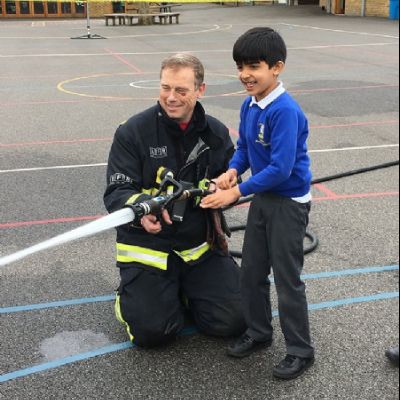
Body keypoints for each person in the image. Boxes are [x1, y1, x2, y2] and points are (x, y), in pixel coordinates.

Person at [104, 54, 246, 348]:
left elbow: (233, 184)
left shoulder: (216, 134)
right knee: (153, 334)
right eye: (165, 88)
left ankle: (183, 290)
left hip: (198, 249)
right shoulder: (132, 132)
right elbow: (116, 192)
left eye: (181, 90)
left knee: (237, 320)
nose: (171, 97)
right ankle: (128, 296)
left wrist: (225, 193)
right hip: (147, 250)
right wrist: (141, 210)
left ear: (200, 90)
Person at [201, 28, 315, 380]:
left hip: (288, 202)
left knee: (287, 278)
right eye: (240, 66)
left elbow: (281, 168)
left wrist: (236, 193)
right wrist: (232, 172)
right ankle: (259, 332)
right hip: (265, 198)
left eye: (254, 66)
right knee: (251, 271)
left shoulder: (285, 111)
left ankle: (300, 350)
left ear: (277, 67)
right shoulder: (249, 104)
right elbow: (246, 149)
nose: (245, 74)